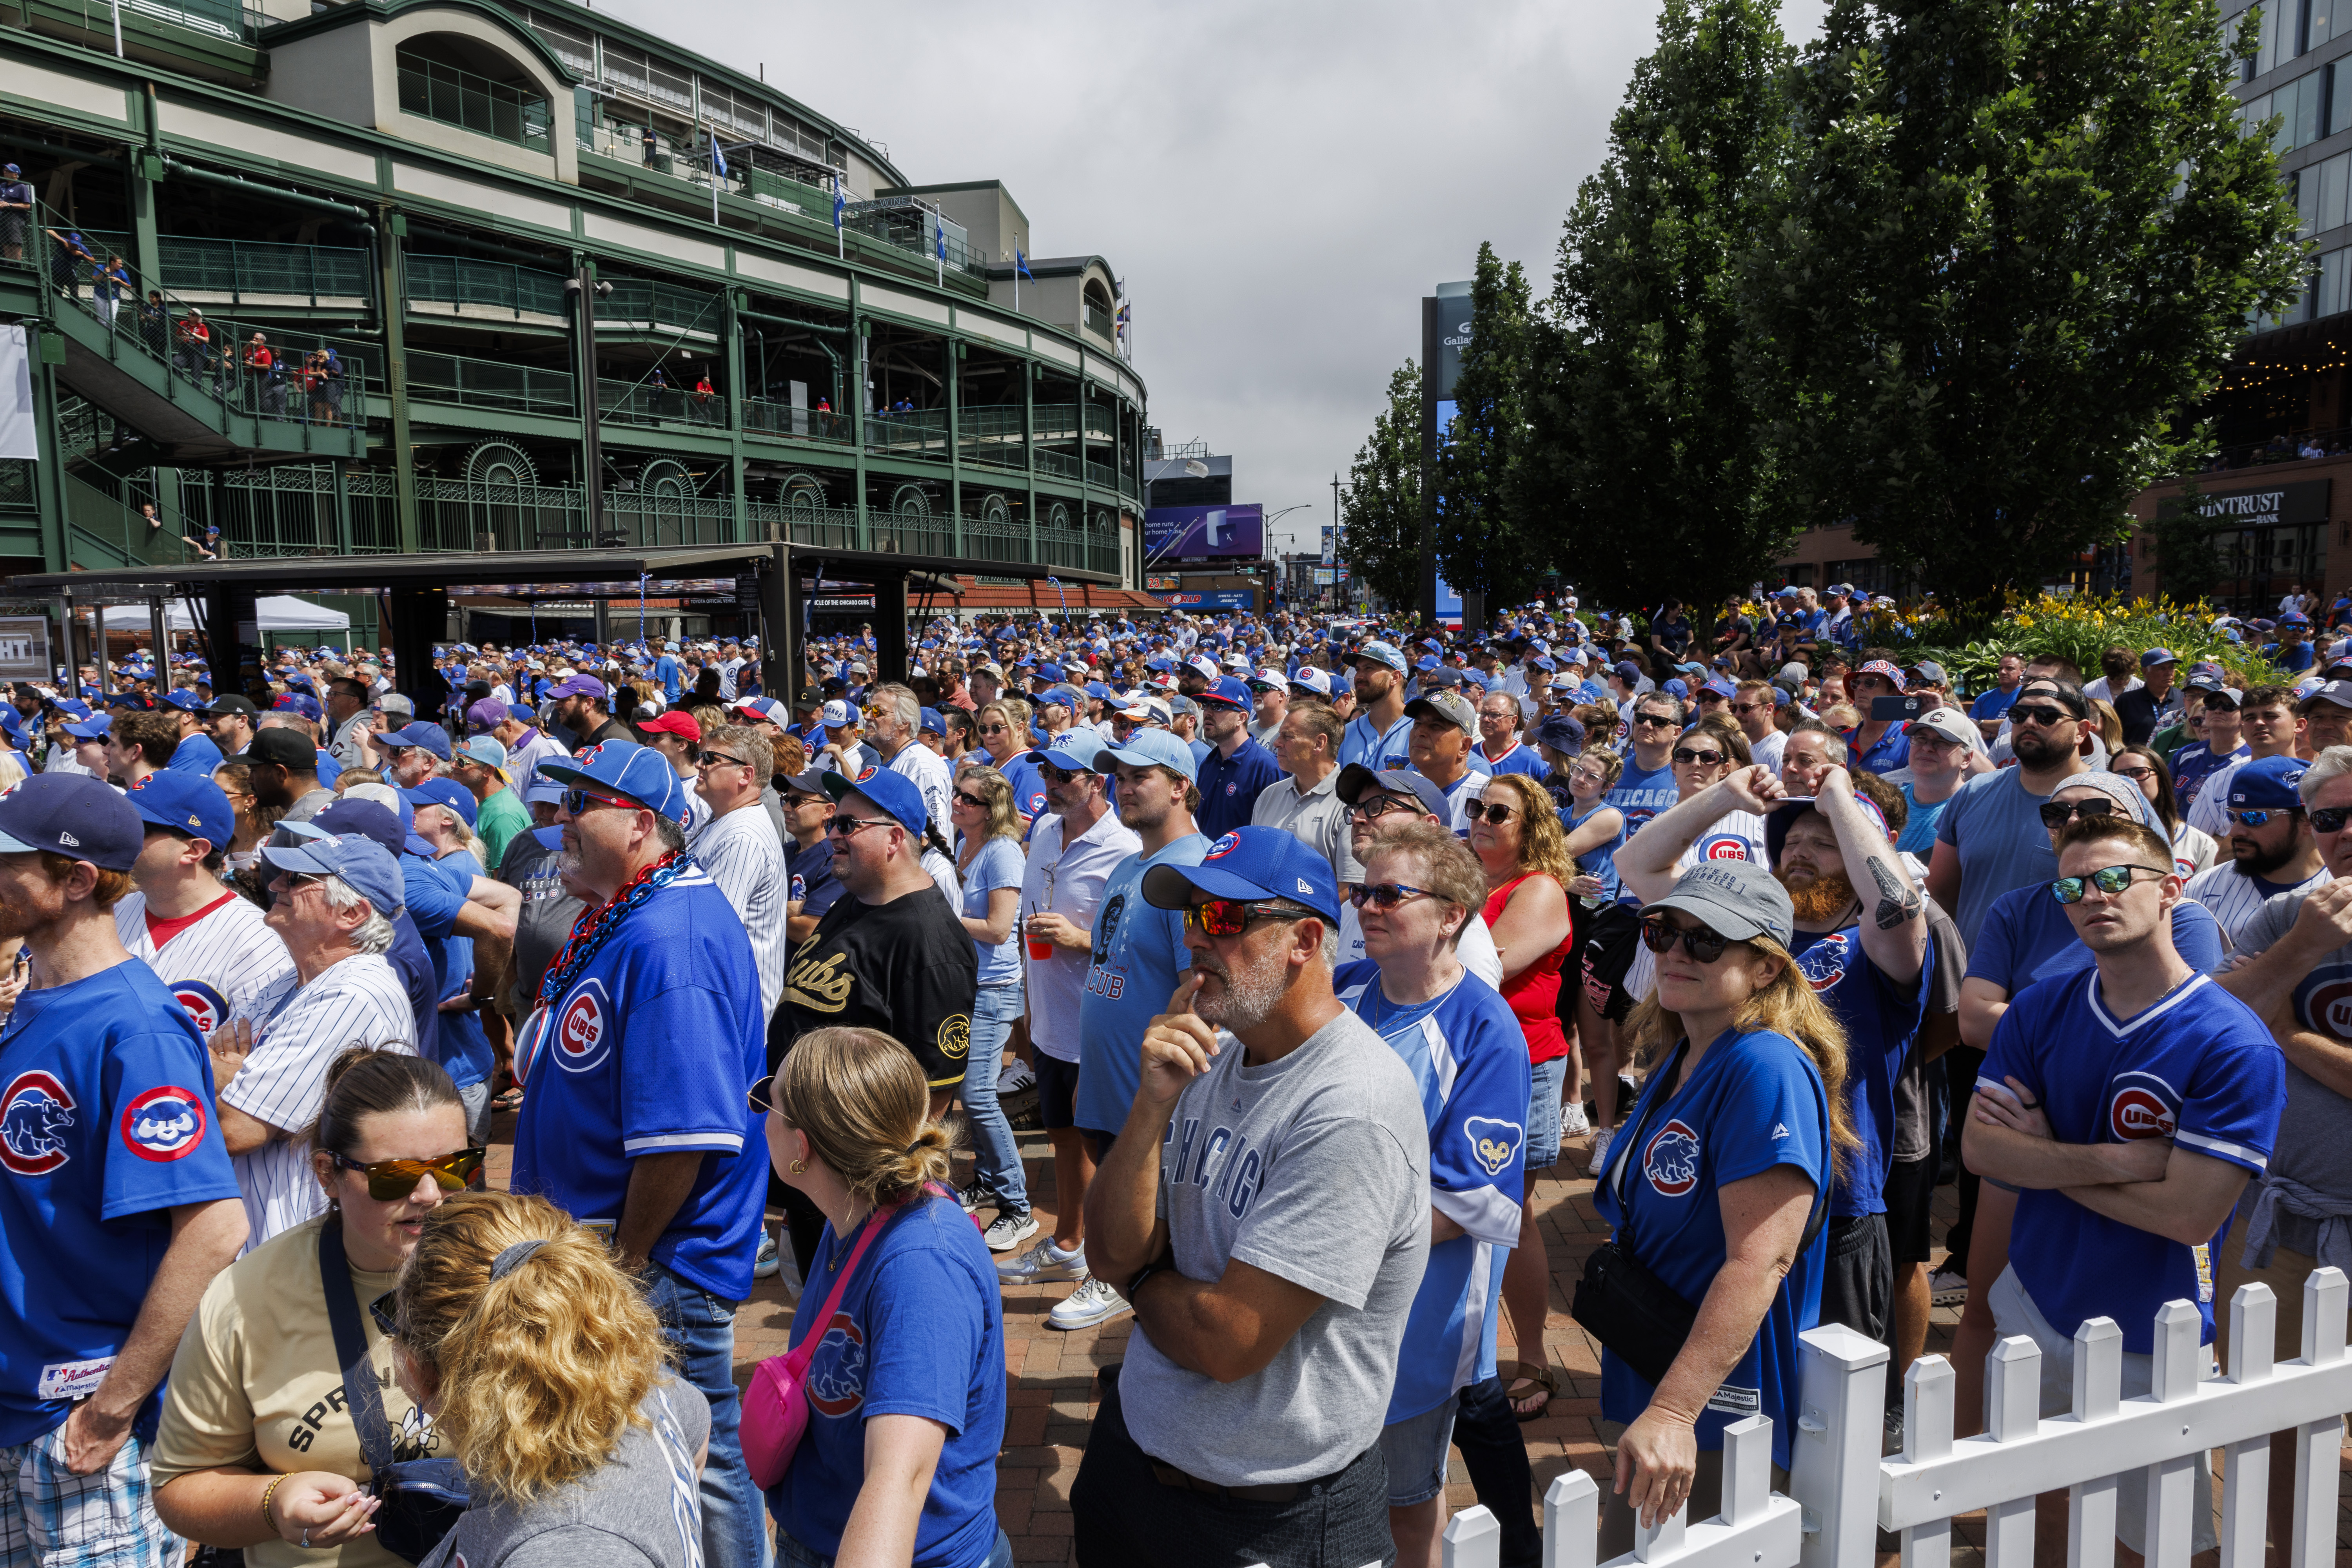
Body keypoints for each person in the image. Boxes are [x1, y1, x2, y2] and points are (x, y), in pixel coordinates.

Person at [1071, 828, 1430, 1568]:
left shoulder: (1350, 1106)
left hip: (1268, 1513)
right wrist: (1149, 1105)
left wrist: (1140, 1280)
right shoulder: (1210, 1050)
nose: (1199, 939)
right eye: (1192, 917)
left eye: (1227, 920)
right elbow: (1106, 1248)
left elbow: (1228, 1340)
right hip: (1136, 1460)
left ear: (1303, 940)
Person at [1964, 809, 2285, 1562]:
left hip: (2152, 1330)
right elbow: (1983, 1151)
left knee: (2151, 1541)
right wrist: (2112, 1161)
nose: (2093, 896)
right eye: (2072, 886)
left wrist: (2041, 1155)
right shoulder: (2042, 1006)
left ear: (2172, 888)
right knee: (2036, 1512)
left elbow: (2187, 1214)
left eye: (2115, 878)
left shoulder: (2234, 1042)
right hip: (2037, 1296)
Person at [511, 740, 768, 1568]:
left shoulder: (670, 937)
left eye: (580, 804)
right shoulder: (625, 908)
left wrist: (627, 1260)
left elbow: (683, 1137)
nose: (560, 821)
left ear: (640, 821)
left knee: (704, 1448)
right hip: (615, 1242)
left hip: (660, 1252)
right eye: (560, 803)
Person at [0, 773, 250, 1563]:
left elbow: (215, 1227)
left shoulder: (136, 1027)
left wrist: (111, 1408)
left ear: (74, 880)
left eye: (9, 861)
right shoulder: (40, 999)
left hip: (75, 1418)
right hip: (18, 1403)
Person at [1592, 860, 1846, 1554]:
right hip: (1664, 1365)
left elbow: (1761, 1258)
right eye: (1663, 932)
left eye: (1706, 941)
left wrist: (1676, 1409)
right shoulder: (1685, 1054)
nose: (1675, 952)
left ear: (1765, 969)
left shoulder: (1762, 1066)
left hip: (1720, 1402)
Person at [152, 1051, 474, 1568]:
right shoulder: (245, 1299)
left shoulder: (519, 1270)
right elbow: (181, 1485)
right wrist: (274, 1503)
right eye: (396, 1176)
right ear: (327, 1173)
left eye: (455, 1167)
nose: (432, 1194)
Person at [1335, 822, 1535, 1568]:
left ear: (1452, 913)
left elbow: (1470, 1200)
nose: (1368, 908)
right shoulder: (1344, 988)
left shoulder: (1487, 1030)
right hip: (1326, 1298)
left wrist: (1334, 1241)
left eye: (1390, 894)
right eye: (1362, 892)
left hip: (1420, 1313)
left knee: (1405, 1494)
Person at [758, 1028, 1011, 1568]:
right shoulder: (855, 1211)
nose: (761, 1116)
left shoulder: (921, 1267)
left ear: (802, 1149)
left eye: (768, 1101)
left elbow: (900, 1479)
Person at [376, 1191, 709, 1568]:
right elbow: (696, 1422)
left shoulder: (570, 1550)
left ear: (423, 1368)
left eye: (392, 1319)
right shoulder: (630, 1381)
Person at [2207, 745, 2352, 1558]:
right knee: (2270, 1414)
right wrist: (2299, 949)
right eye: (2329, 817)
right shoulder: (2282, 918)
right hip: (2285, 1217)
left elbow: (2259, 1025)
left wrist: (2287, 1029)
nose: (2345, 830)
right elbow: (2206, 1024)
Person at [774, 765, 976, 1270]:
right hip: (815, 1169)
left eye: (847, 825)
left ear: (894, 838)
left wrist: (880, 1205)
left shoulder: (929, 941)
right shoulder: (855, 900)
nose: (833, 835)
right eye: (835, 822)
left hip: (861, 1192)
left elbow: (934, 1097)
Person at [1065, 728, 1214, 1320]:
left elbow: (1200, 997)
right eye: (1118, 778)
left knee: (1162, 1257)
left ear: (1181, 787)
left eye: (1139, 777)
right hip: (1111, 1092)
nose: (1123, 789)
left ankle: (1156, 1380)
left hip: (1156, 1105)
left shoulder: (1197, 870)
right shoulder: (1132, 862)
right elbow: (1111, 968)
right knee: (1133, 1252)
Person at [217, 831, 416, 1249]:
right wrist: (224, 1077)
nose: (275, 885)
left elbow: (236, 1127)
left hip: (301, 1240)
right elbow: (211, 1065)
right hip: (264, 1229)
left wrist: (226, 1075)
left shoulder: (353, 992)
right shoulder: (286, 981)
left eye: (296, 879)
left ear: (351, 913)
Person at [1000, 731, 1141, 1324]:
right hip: (1049, 1015)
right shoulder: (1041, 833)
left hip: (1098, 1023)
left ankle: (1116, 1272)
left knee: (1107, 1148)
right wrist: (1025, 1015)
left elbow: (1132, 945)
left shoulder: (1124, 848)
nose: (1051, 786)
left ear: (1096, 781)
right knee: (1062, 1135)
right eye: (1047, 775)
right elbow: (1024, 925)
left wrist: (1081, 939)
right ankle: (1070, 1245)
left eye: (1065, 776)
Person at [1458, 773, 1578, 1420]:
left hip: (1522, 1066)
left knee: (1512, 1215)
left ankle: (1533, 1358)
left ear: (1531, 828)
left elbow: (1483, 970)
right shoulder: (1476, 883)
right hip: (1471, 1063)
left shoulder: (1538, 890)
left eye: (1496, 812)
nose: (1480, 818)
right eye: (1475, 807)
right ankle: (1465, 1346)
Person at [116, 770, 296, 1039]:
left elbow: (244, 1062)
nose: (121, 837)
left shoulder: (258, 945)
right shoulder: (110, 911)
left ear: (194, 850)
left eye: (139, 829)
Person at [948, 763, 1033, 1251]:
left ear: (992, 809)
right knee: (967, 1088)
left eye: (969, 799)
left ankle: (1018, 1206)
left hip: (996, 986)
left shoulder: (1002, 853)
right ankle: (985, 1179)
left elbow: (1001, 929)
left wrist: (945, 917)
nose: (958, 802)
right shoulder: (967, 844)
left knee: (978, 1093)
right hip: (971, 982)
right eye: (957, 794)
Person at [689, 724, 789, 1025]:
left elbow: (710, 936)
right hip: (725, 1002)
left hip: (736, 1014)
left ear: (746, 775)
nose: (698, 764)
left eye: (710, 759)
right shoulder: (728, 820)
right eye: (700, 755)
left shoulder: (742, 836)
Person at [2180, 754, 2328, 946]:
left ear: (2307, 820)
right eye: (2233, 817)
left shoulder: (2342, 887)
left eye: (2255, 818)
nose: (2235, 832)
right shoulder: (2200, 887)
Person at [1250, 700, 1357, 886]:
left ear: (1319, 743)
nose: (1277, 743)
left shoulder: (1350, 804)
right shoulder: (1269, 795)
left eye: (1287, 736)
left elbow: (1349, 889)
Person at [2186, 684, 2304, 838]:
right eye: (2250, 718)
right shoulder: (2219, 780)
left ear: (2299, 725)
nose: (2259, 723)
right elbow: (2195, 845)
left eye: (2270, 716)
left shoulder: (2314, 780)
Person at [1193, 677, 1281, 837]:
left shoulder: (1267, 768)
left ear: (1241, 718)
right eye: (1206, 705)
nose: (1208, 712)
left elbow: (1271, 837)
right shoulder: (1208, 762)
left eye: (1218, 706)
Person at [1894, 705, 1974, 858]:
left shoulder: (1973, 810)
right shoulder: (1888, 802)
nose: (1927, 748)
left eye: (1943, 742)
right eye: (1921, 739)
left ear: (1966, 758)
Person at [1340, 640, 1414, 770]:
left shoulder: (1420, 732)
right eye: (1358, 669)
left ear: (1395, 677)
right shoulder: (1347, 733)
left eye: (1369, 668)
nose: (1358, 676)